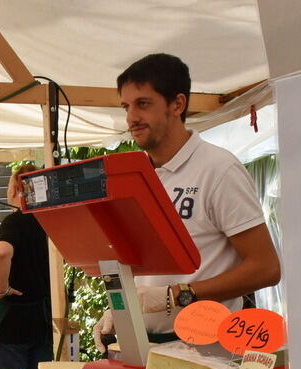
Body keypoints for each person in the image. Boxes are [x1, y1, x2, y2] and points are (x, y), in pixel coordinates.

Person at [94, 53, 281, 349]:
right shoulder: (135, 177)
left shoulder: (218, 169)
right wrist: (120, 309)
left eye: (143, 104)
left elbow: (266, 268)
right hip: (145, 346)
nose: (131, 118)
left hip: (208, 349)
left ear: (177, 104)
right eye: (126, 106)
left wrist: (179, 294)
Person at [0, 164, 53, 369]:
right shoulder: (49, 219)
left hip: (14, 323)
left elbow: (2, 253)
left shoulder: (14, 221)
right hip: (42, 322)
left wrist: (1, 289)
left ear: (15, 188)